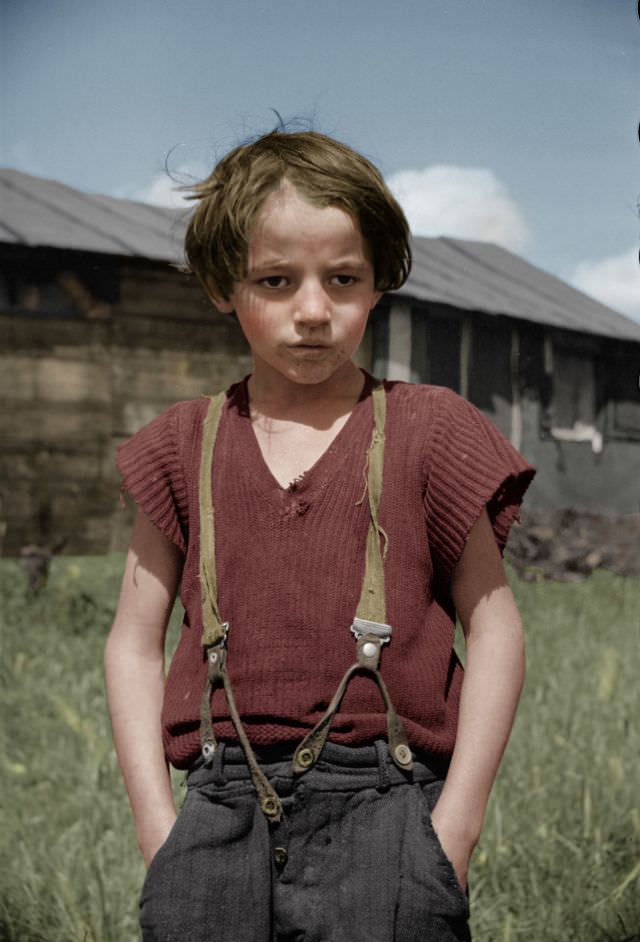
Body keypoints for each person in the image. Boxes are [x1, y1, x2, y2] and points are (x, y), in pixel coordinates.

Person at [104, 128, 535, 942]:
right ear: (222, 285)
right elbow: (133, 641)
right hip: (216, 808)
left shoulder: (430, 431)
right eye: (276, 280)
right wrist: (157, 828)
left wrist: (456, 828)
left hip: (387, 803)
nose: (313, 310)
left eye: (344, 279)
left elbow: (496, 625)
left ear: (379, 286)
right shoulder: (181, 446)